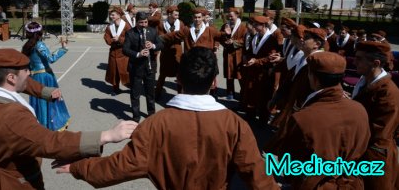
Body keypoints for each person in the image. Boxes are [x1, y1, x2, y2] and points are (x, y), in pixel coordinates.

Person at [53, 47, 280, 190]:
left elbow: (120, 167)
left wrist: (80, 167)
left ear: (179, 79)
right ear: (214, 83)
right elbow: (258, 177)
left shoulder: (155, 124)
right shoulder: (236, 125)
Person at [0, 48, 138, 189]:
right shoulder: (11, 117)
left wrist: (44, 91)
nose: (30, 72)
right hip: (13, 183)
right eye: (26, 70)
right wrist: (107, 135)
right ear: (11, 78)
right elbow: (51, 141)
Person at [276, 52, 370, 189]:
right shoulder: (360, 109)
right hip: (351, 183)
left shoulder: (302, 118)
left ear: (313, 77)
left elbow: (289, 161)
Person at [352, 41, 399, 189]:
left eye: (360, 59)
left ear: (376, 63)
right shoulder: (364, 80)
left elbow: (380, 130)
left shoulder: (388, 92)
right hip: (361, 149)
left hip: (374, 155)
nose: (354, 62)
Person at [22, 22, 70, 131]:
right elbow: (51, 59)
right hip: (45, 76)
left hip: (35, 77)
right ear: (39, 33)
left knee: (38, 101)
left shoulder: (27, 46)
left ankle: (38, 124)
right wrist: (63, 48)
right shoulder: (40, 45)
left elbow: (28, 64)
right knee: (48, 100)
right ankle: (47, 126)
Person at [123, 12, 163, 122]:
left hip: (150, 67)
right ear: (136, 22)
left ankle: (151, 114)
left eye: (146, 22)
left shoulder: (153, 31)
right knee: (135, 94)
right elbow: (125, 49)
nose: (144, 25)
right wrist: (138, 54)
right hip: (136, 68)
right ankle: (136, 116)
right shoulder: (130, 33)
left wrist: (153, 46)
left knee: (150, 93)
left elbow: (161, 44)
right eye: (141, 22)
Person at [155, 5, 184, 98]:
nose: (177, 15)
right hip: (166, 52)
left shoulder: (181, 24)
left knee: (179, 74)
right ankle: (157, 93)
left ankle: (180, 96)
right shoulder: (161, 24)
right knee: (162, 74)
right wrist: (174, 36)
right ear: (169, 14)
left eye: (178, 14)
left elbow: (182, 36)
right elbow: (160, 37)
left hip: (177, 51)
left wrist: (169, 36)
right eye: (175, 14)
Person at [219, 7, 247, 100]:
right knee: (229, 74)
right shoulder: (225, 25)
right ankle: (230, 92)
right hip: (228, 53)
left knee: (240, 74)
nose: (230, 18)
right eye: (228, 16)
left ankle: (243, 92)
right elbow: (220, 37)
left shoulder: (243, 26)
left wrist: (234, 42)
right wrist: (225, 40)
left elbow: (245, 40)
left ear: (237, 15)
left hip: (238, 54)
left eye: (232, 16)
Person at [104, 6, 131, 94]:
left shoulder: (126, 25)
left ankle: (131, 86)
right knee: (114, 72)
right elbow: (106, 37)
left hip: (123, 52)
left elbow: (130, 37)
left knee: (125, 71)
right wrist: (112, 40)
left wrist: (120, 39)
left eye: (113, 15)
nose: (111, 16)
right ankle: (115, 89)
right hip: (113, 52)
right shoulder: (109, 26)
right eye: (111, 15)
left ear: (119, 15)